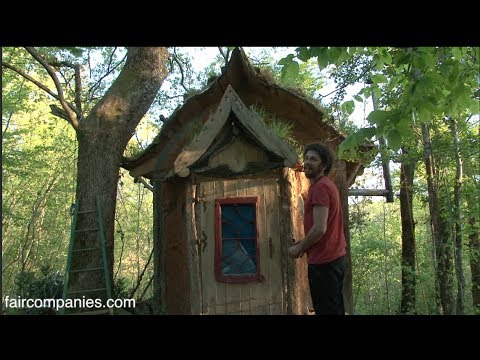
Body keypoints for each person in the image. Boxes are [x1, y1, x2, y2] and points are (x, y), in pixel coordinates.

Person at [288, 143, 346, 315]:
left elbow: (320, 228)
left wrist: (299, 247)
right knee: (334, 308)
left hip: (325, 262)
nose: (307, 162)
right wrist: (304, 244)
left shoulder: (320, 188)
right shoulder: (324, 185)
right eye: (306, 158)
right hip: (332, 258)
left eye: (313, 159)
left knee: (326, 310)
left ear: (324, 165)